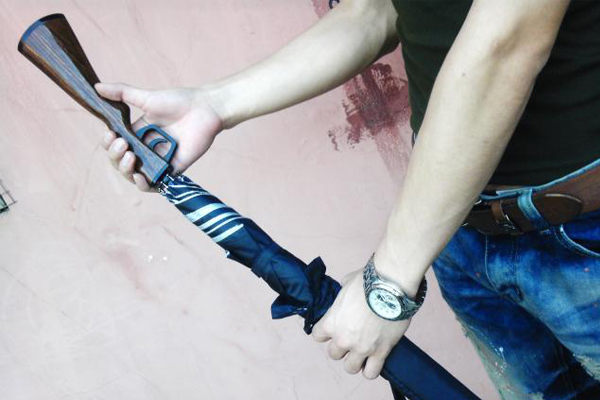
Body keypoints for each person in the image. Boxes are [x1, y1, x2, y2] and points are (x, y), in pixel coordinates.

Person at [97, 0, 600, 398]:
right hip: (459, 227)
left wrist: (389, 282)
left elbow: (505, 44)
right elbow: (375, 11)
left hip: (584, 229)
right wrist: (213, 104)